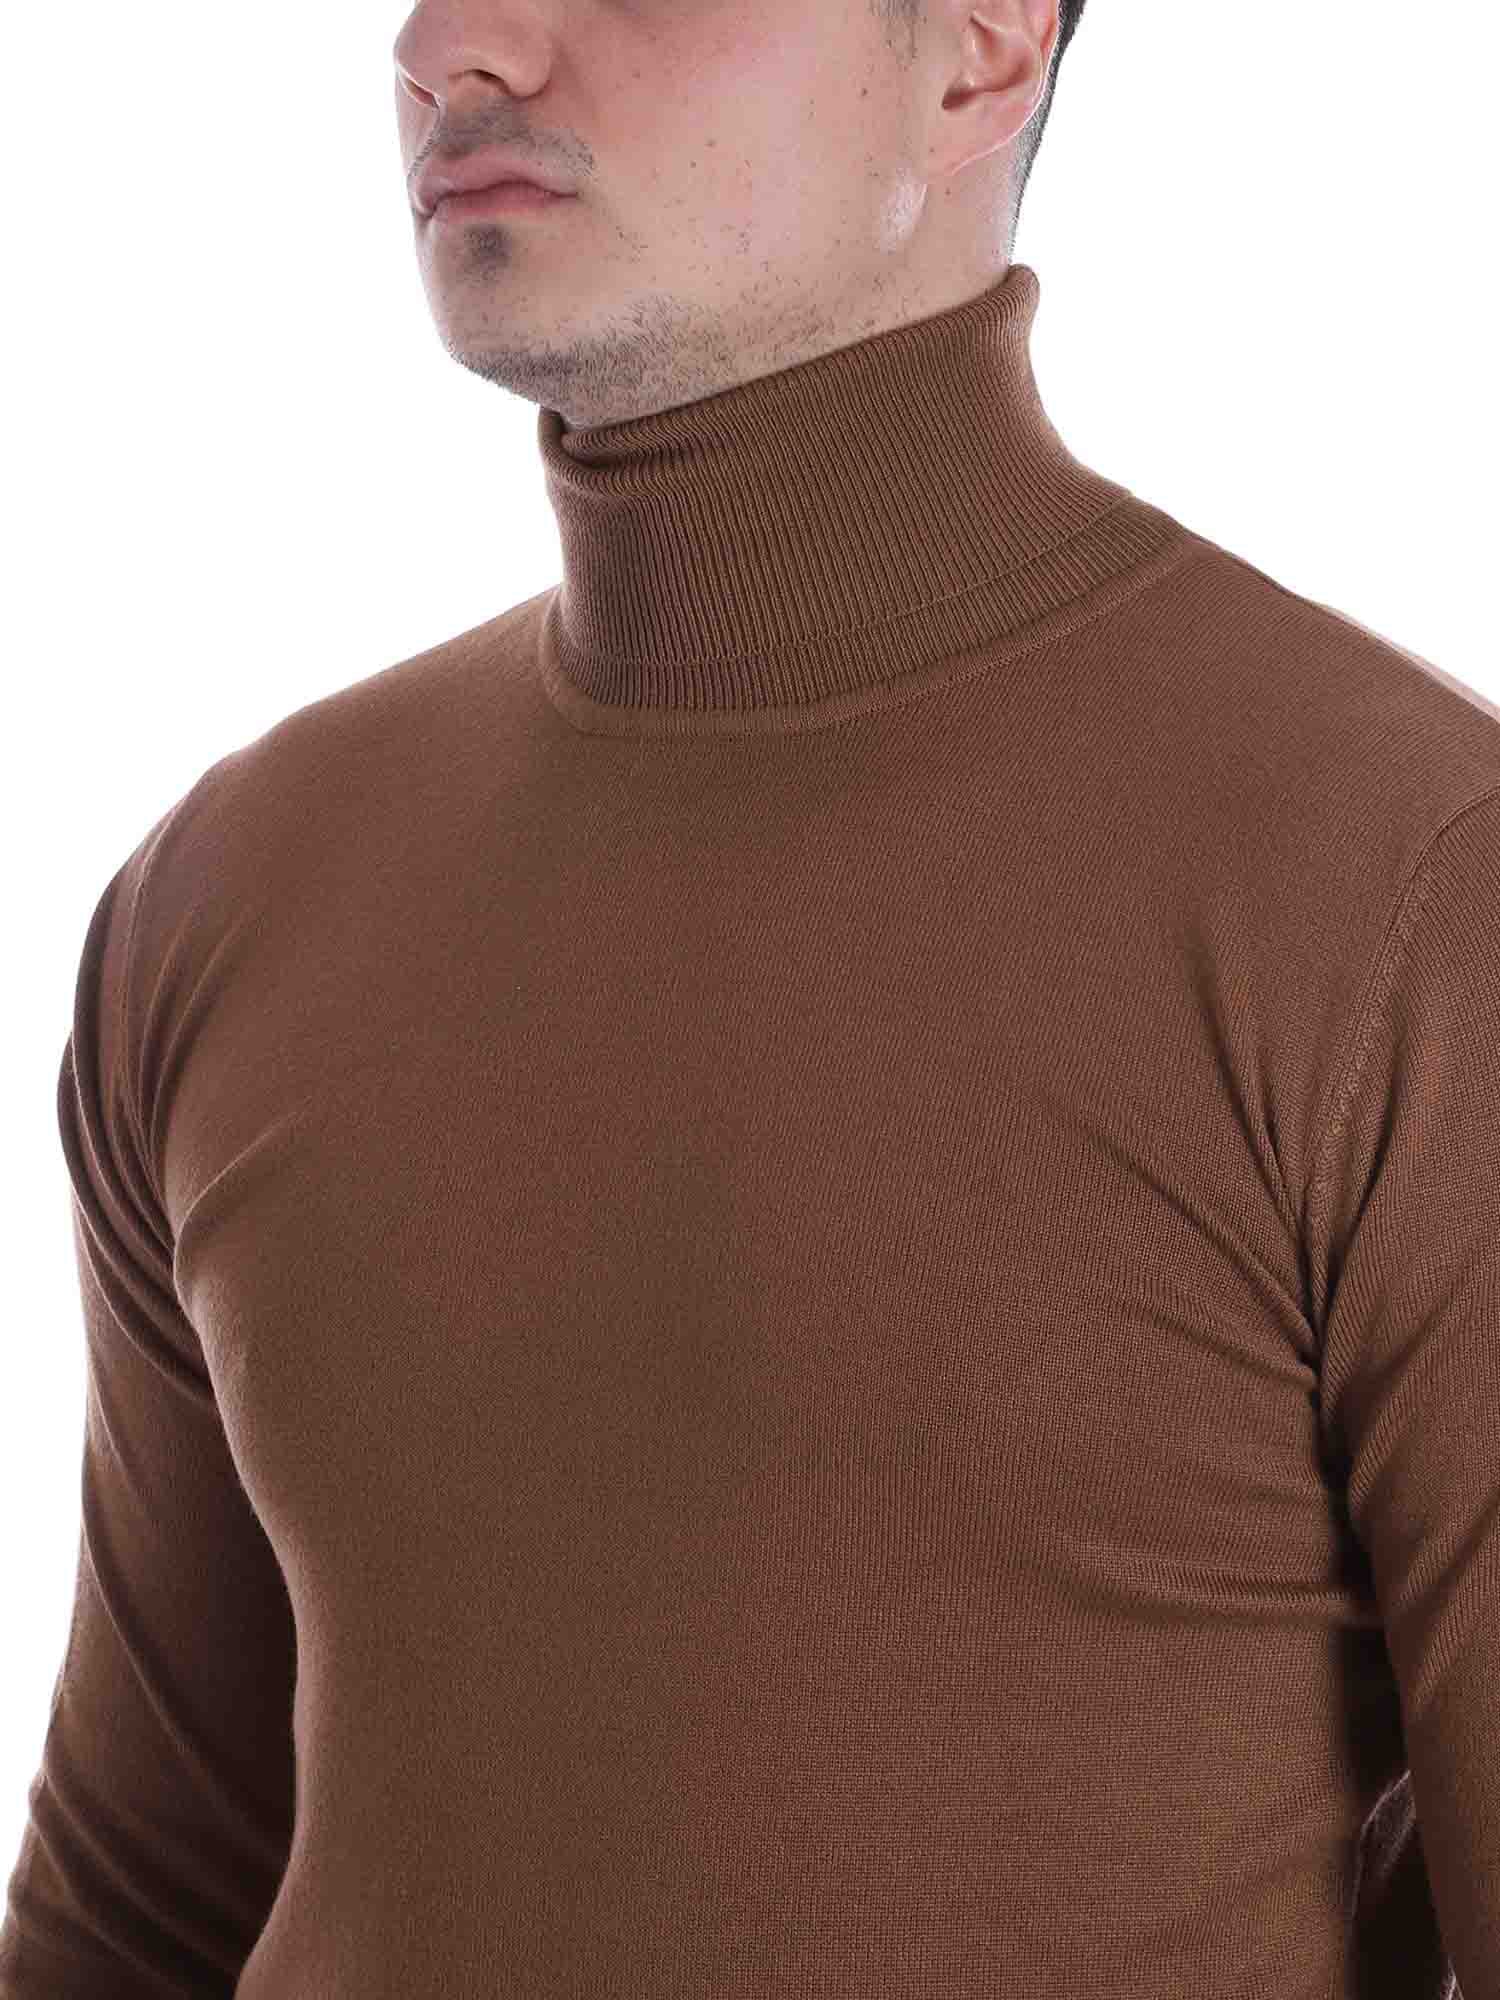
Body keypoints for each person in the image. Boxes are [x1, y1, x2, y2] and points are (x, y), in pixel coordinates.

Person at [2, 2, 1496, 1995]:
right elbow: (142, 1909)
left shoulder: (1402, 885)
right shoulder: (234, 886)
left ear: (978, 52)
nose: (450, 45)